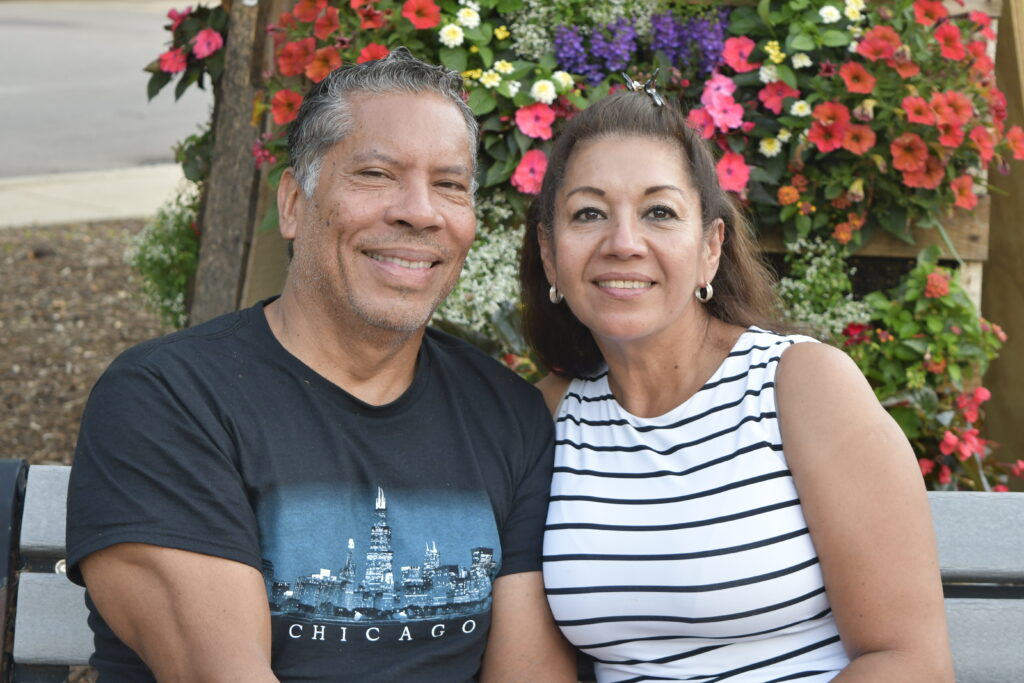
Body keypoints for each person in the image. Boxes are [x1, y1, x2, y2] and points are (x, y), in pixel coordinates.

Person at [66, 48, 574, 682]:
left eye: (449, 184)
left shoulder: (507, 415)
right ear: (294, 204)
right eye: (375, 173)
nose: (419, 211)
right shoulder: (168, 400)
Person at [519, 88, 954, 681]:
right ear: (549, 253)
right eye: (589, 213)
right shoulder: (546, 417)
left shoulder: (799, 386)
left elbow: (909, 660)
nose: (622, 242)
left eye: (660, 212)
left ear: (710, 248)